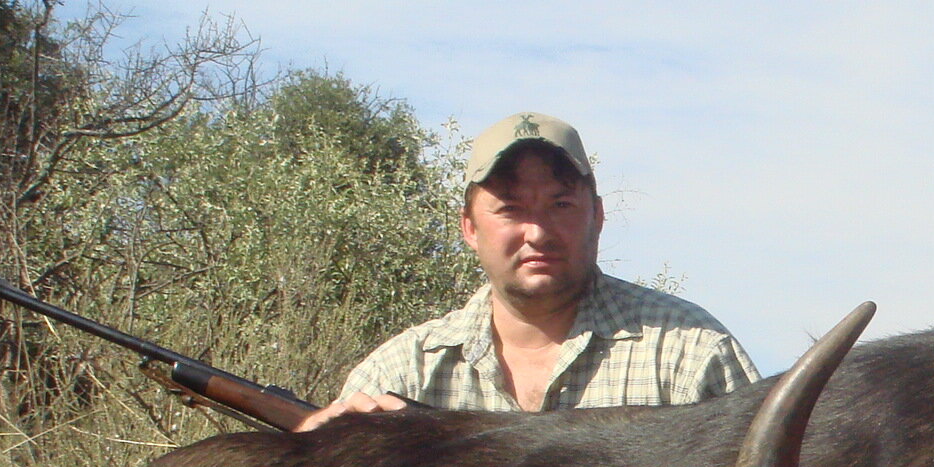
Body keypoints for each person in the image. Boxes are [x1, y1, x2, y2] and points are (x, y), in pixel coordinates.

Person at [297, 113, 757, 430]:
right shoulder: (402, 373)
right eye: (511, 209)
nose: (537, 232)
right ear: (469, 228)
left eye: (560, 205)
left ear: (597, 216)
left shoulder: (690, 354)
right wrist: (314, 454)